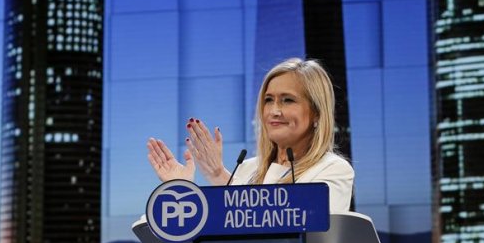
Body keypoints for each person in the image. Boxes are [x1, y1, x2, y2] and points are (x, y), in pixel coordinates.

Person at [146, 58, 354, 213]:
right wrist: (182, 192)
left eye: (288, 100)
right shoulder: (247, 169)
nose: (274, 111)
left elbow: (295, 227)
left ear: (317, 113)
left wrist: (218, 176)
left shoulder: (333, 169)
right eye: (268, 100)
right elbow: (221, 229)